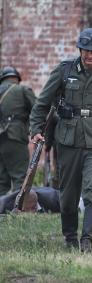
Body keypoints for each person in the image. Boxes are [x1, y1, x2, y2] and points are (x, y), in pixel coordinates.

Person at [30, 28, 92, 253]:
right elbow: (42, 103)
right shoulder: (64, 70)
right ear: (80, 49)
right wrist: (36, 129)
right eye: (86, 51)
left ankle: (87, 240)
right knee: (68, 197)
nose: (90, 56)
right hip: (69, 140)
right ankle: (70, 237)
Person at [0, 66, 36, 196]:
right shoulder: (22, 90)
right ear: (16, 79)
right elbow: (38, 110)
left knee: (1, 181)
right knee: (20, 177)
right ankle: (18, 212)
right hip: (14, 136)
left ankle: (2, 212)